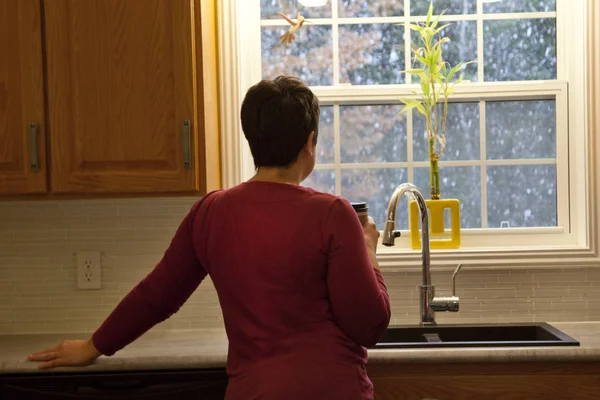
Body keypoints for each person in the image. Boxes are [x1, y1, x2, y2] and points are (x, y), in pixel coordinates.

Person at [28, 75, 391, 400]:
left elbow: (156, 295)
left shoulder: (211, 212)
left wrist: (94, 346)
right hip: (332, 389)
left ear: (251, 138)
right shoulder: (333, 213)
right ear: (310, 142)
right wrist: (369, 251)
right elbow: (369, 325)